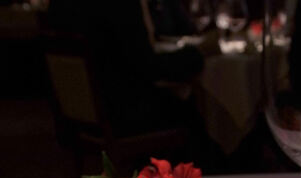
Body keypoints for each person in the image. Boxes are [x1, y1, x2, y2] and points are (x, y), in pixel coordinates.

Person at [46, 0, 204, 137]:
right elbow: (148, 66)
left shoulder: (59, 4)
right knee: (197, 109)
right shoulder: (122, 4)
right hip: (120, 115)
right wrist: (197, 54)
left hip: (75, 117)